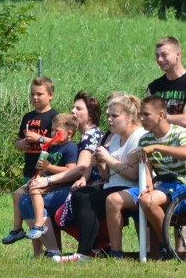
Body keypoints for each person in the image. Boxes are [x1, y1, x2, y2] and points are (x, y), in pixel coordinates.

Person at [55, 94, 146, 262]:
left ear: (129, 117)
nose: (109, 120)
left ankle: (86, 253)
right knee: (79, 194)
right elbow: (108, 176)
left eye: (114, 116)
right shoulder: (116, 137)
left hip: (134, 188)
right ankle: (92, 249)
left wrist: (109, 159)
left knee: (88, 199)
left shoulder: (139, 137)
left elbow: (134, 175)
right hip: (114, 184)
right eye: (108, 116)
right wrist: (101, 164)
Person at [32, 92, 104, 256]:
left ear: (90, 114)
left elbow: (80, 168)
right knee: (28, 198)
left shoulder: (90, 136)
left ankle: (52, 249)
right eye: (73, 107)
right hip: (79, 186)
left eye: (78, 108)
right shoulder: (87, 135)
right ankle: (52, 248)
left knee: (32, 202)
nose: (73, 111)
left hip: (90, 188)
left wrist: (48, 180)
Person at [2, 113, 78, 255]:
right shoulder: (53, 147)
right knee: (18, 193)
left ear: (69, 133)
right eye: (52, 130)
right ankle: (17, 229)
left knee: (34, 191)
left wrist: (49, 168)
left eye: (57, 131)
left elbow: (70, 170)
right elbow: (44, 169)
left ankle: (39, 225)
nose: (53, 133)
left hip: (60, 183)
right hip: (46, 179)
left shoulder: (70, 148)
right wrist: (39, 175)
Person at [135, 95, 186, 257]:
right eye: (140, 115)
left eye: (146, 114)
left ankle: (167, 247)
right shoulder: (144, 140)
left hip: (183, 184)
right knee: (146, 200)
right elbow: (146, 166)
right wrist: (148, 184)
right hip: (165, 185)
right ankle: (166, 246)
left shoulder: (179, 133)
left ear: (161, 116)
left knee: (147, 200)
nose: (142, 119)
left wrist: (157, 147)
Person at [146, 36, 186, 127]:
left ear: (178, 54)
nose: (159, 59)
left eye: (164, 55)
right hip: (157, 139)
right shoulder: (153, 87)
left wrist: (158, 117)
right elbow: (146, 118)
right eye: (157, 55)